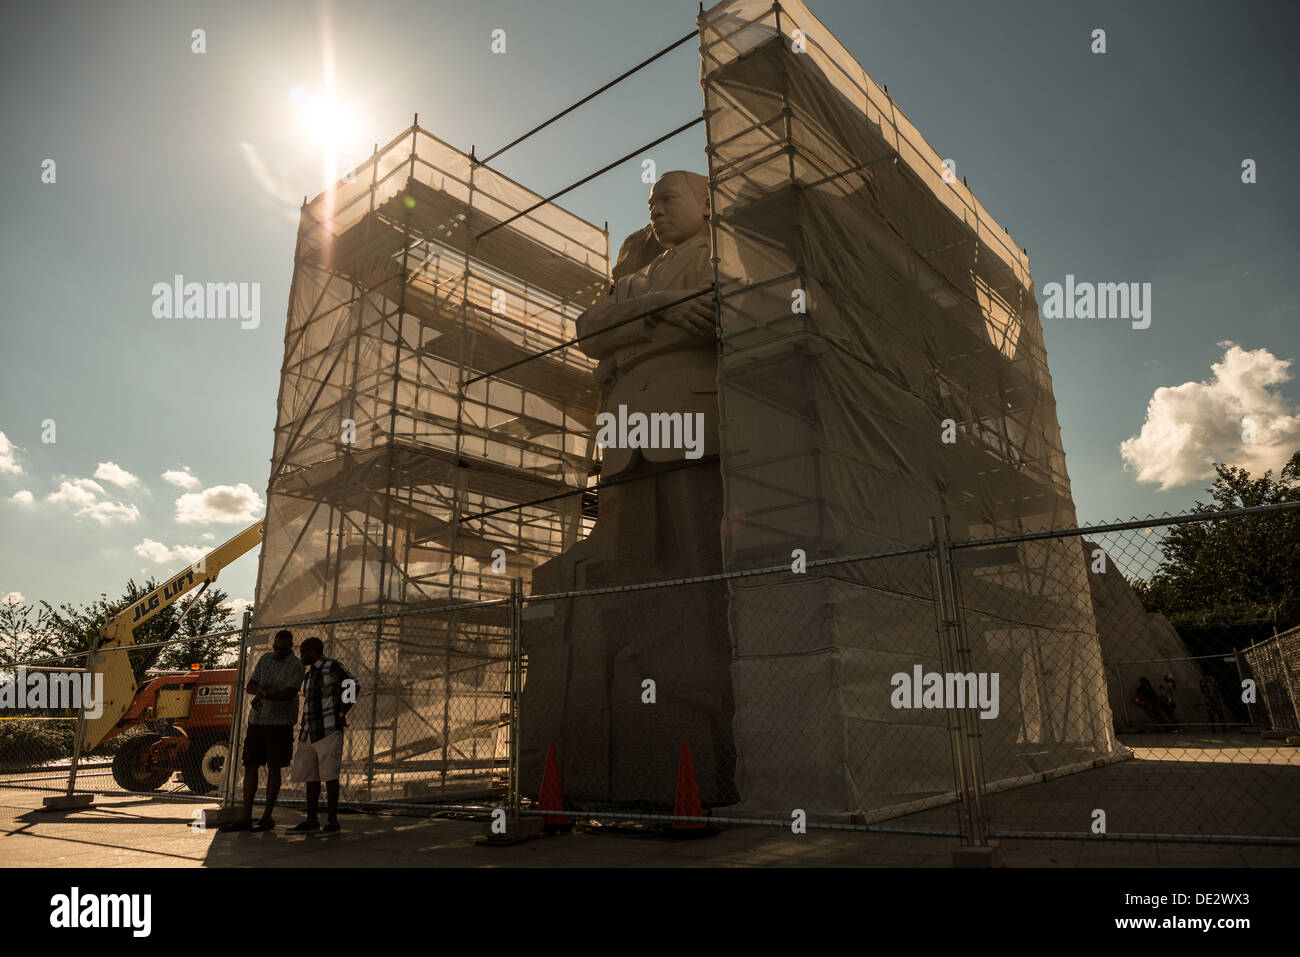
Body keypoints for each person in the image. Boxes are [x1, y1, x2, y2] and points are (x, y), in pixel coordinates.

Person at [219, 629, 302, 832]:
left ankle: (267, 817)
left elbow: (287, 694)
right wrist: (264, 692)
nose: (278, 651)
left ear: (291, 647)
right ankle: (245, 816)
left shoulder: (296, 666)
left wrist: (263, 693)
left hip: (280, 723)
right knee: (251, 765)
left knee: (274, 767)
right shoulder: (266, 659)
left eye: (282, 648)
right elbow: (250, 686)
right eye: (275, 647)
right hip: (258, 721)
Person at [287, 636, 358, 836]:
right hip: (310, 730)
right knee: (311, 776)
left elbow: (353, 685)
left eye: (303, 652)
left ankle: (332, 821)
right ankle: (311, 820)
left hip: (327, 729)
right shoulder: (310, 675)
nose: (301, 655)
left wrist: (343, 712)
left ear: (313, 651)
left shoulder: (331, 666)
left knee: (330, 775)